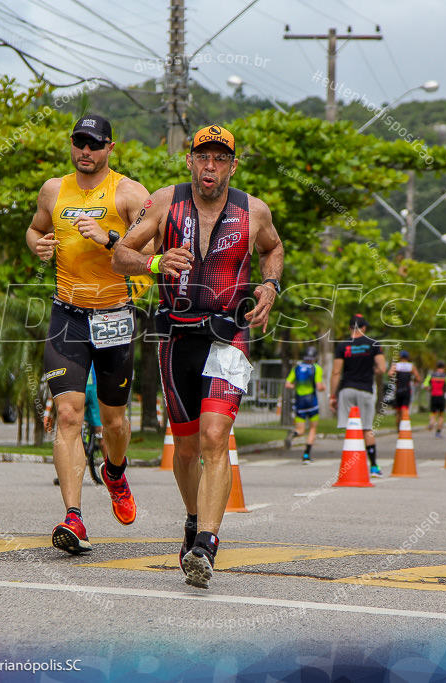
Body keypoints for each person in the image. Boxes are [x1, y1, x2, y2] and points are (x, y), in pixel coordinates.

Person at [112, 123, 284, 589]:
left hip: (228, 335)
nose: (210, 166)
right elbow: (120, 255)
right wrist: (154, 262)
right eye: (202, 157)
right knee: (186, 449)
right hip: (176, 337)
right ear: (189, 160)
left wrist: (270, 284)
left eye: (220, 158)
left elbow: (273, 249)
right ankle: (193, 519)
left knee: (214, 436)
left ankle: (206, 542)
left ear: (232, 164)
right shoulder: (165, 203)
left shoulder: (254, 211)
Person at [26, 114, 151, 555]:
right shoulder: (53, 189)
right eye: (79, 142)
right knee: (68, 414)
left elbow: (152, 255)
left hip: (115, 314)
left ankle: (115, 472)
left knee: (114, 421)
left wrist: (110, 237)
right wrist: (36, 244)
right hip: (68, 315)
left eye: (94, 144)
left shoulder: (131, 193)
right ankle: (74, 517)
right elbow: (36, 226)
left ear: (110, 148)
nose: (85, 151)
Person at [334, 315, 388, 476]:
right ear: (363, 328)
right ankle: (374, 466)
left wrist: (332, 395)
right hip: (365, 390)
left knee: (350, 429)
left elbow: (336, 372)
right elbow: (382, 368)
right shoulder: (373, 344)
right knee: (366, 429)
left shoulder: (342, 346)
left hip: (347, 390)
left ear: (350, 327)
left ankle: (351, 466)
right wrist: (372, 370)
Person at [284, 347, 326, 463]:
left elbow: (288, 384)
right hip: (312, 402)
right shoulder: (316, 368)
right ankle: (306, 455)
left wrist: (296, 387)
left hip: (299, 402)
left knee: (301, 430)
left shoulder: (297, 368)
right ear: (314, 358)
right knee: (312, 428)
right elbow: (318, 386)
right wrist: (323, 387)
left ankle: (293, 433)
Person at [425, 361, 446, 437]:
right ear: (444, 367)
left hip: (433, 396)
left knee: (433, 413)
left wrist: (430, 390)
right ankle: (438, 432)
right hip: (441, 396)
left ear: (436, 367)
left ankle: (431, 422)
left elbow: (425, 385)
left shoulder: (431, 375)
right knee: (441, 415)